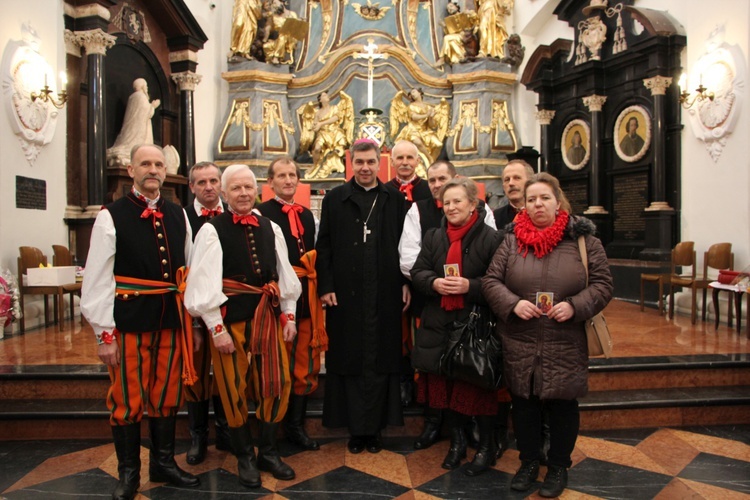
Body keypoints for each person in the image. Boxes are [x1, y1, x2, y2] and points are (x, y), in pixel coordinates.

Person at [482, 173, 613, 498]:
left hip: (565, 339)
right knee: (524, 406)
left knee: (562, 406)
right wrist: (513, 304)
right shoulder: (511, 241)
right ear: (523, 206)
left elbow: (603, 285)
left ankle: (558, 467)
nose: (538, 204)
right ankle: (528, 462)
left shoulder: (584, 241)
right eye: (531, 199)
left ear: (558, 201)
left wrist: (574, 306)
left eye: (544, 198)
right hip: (521, 337)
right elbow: (490, 281)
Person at [81, 144, 199, 500]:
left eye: (158, 164)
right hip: (128, 322)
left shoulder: (179, 214)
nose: (152, 169)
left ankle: (163, 463)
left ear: (165, 172)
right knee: (128, 398)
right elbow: (98, 278)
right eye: (145, 163)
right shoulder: (111, 215)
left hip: (170, 321)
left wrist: (192, 322)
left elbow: (190, 273)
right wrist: (104, 334)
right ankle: (129, 472)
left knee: (166, 395)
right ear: (131, 170)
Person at [185, 164, 302, 488]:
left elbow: (284, 276)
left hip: (268, 318)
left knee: (277, 384)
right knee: (232, 387)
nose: (243, 193)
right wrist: (215, 329)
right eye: (235, 188)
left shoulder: (271, 227)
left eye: (248, 187)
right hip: (230, 323)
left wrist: (289, 315)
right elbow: (202, 282)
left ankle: (267, 451)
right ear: (224, 193)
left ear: (257, 190)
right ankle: (244, 457)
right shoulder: (211, 230)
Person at [316, 139, 410, 454]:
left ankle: (376, 429)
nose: (365, 168)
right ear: (351, 163)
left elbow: (404, 247)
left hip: (384, 292)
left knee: (380, 359)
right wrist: (326, 285)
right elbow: (324, 245)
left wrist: (405, 283)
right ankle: (357, 430)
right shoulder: (335, 199)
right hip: (345, 295)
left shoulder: (394, 199)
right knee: (351, 358)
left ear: (380, 163)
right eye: (360, 163)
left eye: (371, 162)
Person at [398, 160, 497, 451]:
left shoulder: (490, 236)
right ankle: (453, 440)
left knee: (468, 381)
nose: (451, 206)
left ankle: (475, 436)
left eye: (457, 201)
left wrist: (470, 286)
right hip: (438, 316)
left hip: (473, 320)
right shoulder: (433, 234)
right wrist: (433, 283)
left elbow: (499, 278)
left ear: (472, 205)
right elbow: (417, 269)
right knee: (440, 378)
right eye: (447, 201)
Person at [255, 156, 326, 451]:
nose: (288, 180)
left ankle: (296, 426)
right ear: (270, 182)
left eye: (292, 175)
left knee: (305, 364)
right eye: (281, 176)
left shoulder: (306, 214)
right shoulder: (260, 213)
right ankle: (274, 426)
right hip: (278, 301)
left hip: (306, 296)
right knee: (278, 363)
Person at [183, 162, 232, 466]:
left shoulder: (235, 215)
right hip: (194, 307)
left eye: (214, 180)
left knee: (226, 371)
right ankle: (198, 435)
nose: (209, 187)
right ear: (192, 187)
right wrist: (194, 321)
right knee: (197, 375)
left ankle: (226, 430)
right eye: (202, 182)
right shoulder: (182, 218)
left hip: (229, 305)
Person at [300, 91, 354, 179]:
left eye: (327, 95)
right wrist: (315, 126)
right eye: (324, 95)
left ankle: (336, 158)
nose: (327, 96)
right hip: (323, 133)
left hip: (335, 132)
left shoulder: (334, 108)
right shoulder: (317, 113)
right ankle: (315, 165)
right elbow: (315, 125)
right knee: (317, 148)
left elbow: (336, 118)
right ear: (320, 100)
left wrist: (321, 123)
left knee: (341, 146)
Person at [107, 79, 161, 166]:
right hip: (138, 129)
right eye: (146, 86)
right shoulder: (141, 97)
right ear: (143, 86)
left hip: (131, 127)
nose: (146, 88)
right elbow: (147, 113)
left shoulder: (132, 97)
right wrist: (153, 106)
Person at [391, 88, 450, 167]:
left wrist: (431, 117)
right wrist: (426, 115)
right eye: (411, 93)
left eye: (414, 92)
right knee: (417, 142)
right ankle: (429, 158)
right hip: (413, 130)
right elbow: (414, 117)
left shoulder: (428, 108)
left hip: (425, 131)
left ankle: (430, 163)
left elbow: (431, 125)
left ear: (420, 93)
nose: (412, 94)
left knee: (438, 144)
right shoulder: (411, 106)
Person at [493, 159, 534, 229]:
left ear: (530, 182)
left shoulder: (541, 213)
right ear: (503, 186)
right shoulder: (494, 218)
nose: (511, 183)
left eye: (517, 178)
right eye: (507, 179)